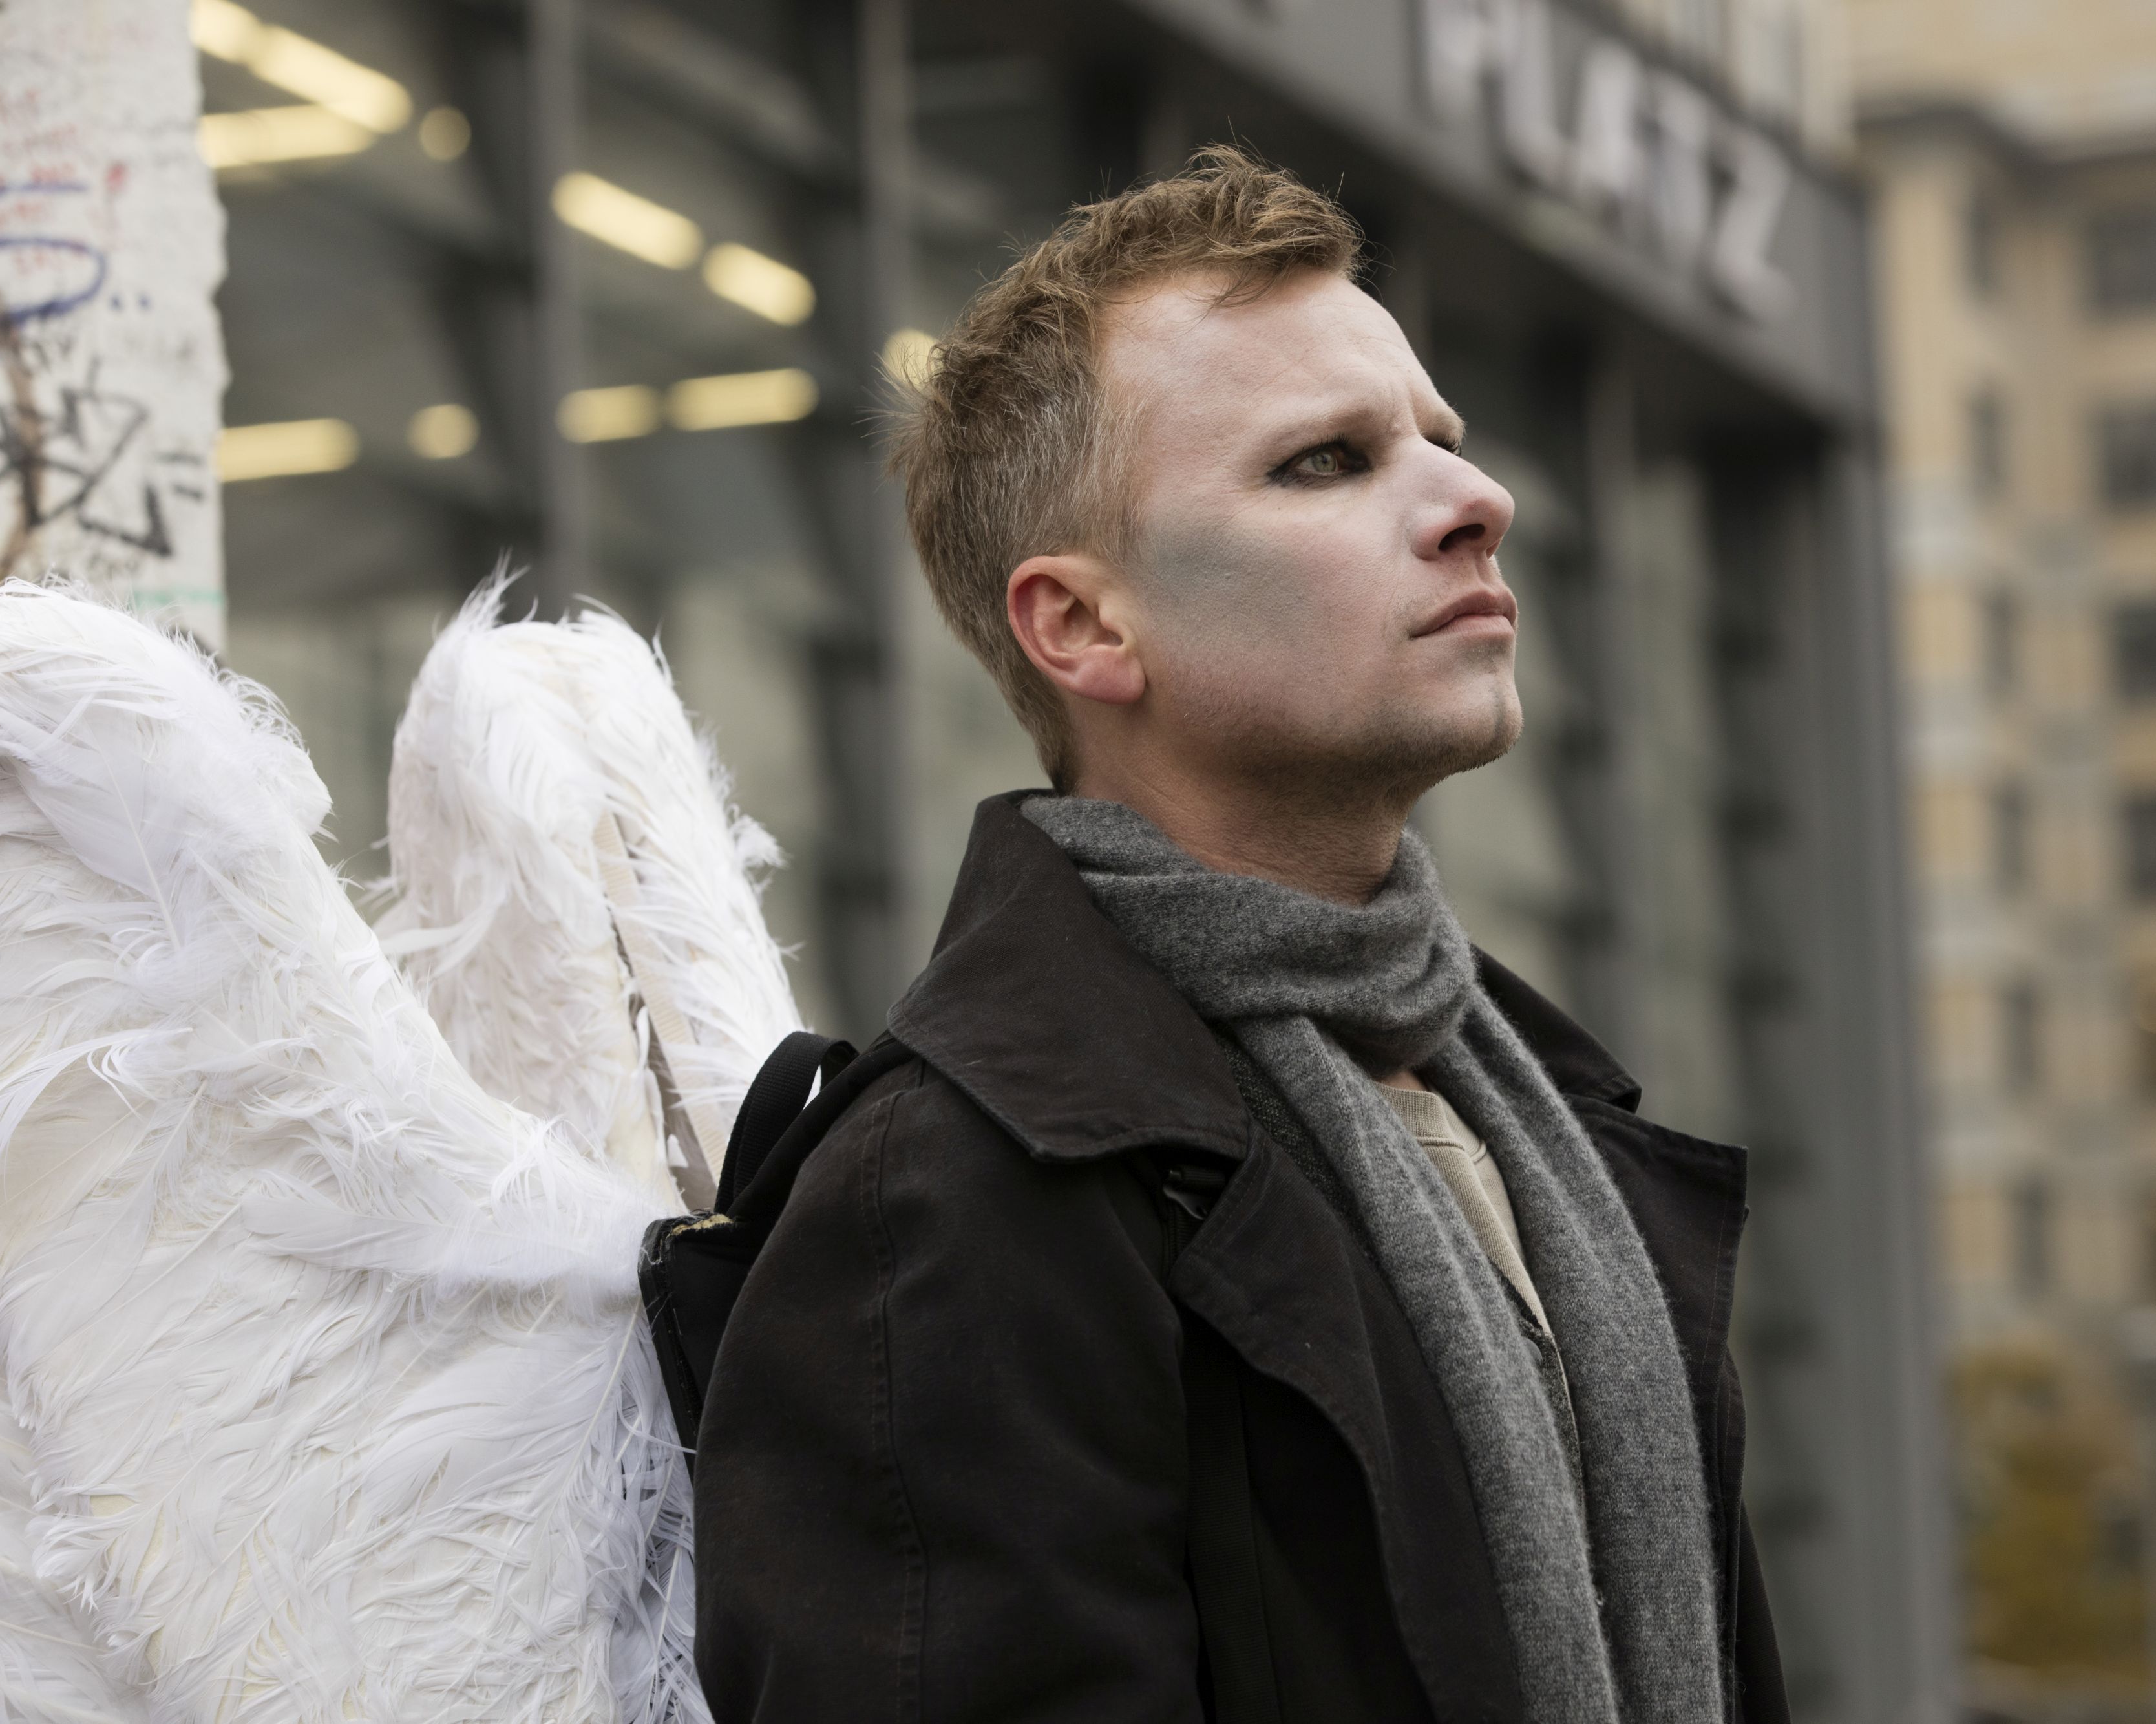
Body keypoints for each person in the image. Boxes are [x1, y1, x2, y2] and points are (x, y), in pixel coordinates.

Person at [692, 146, 1788, 1724]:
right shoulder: (954, 1192)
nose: (1474, 502)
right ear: (1082, 624)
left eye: (1438, 440)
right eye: (1325, 462)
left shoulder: (1551, 1119)